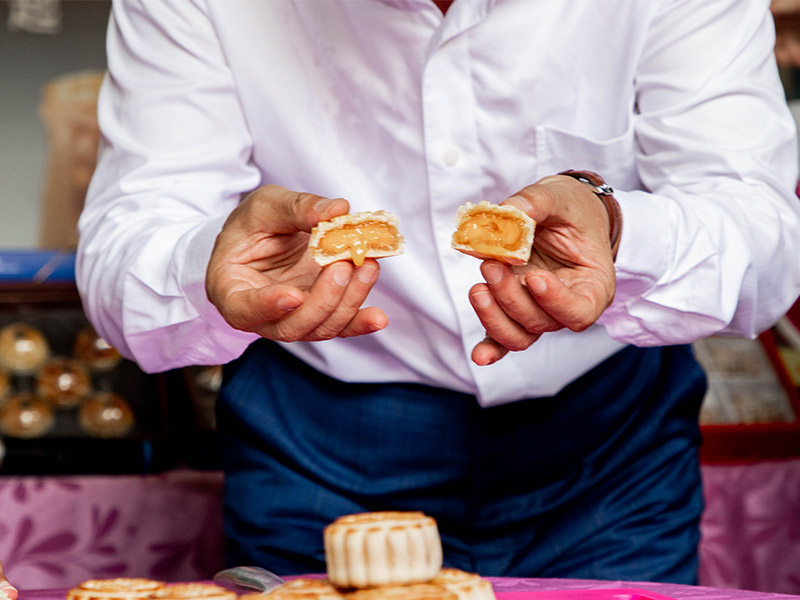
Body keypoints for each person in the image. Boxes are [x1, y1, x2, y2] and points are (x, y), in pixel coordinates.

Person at [77, 0, 800, 586]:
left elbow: (766, 247)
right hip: (313, 452)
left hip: (610, 453)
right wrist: (204, 261)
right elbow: (124, 253)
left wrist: (618, 228)